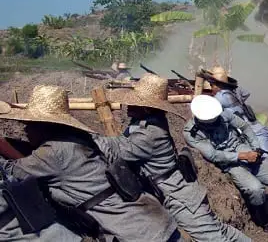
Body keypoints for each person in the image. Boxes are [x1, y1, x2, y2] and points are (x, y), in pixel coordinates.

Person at [0, 85, 181, 242]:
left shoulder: (53, 152)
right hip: (151, 218)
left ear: (45, 125)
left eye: (29, 125)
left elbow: (15, 172)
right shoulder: (78, 139)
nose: (25, 130)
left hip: (137, 232)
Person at [94, 74, 250, 242]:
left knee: (213, 238)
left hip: (180, 198)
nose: (127, 105)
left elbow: (117, 150)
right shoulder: (146, 122)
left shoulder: (149, 133)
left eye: (134, 102)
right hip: (181, 190)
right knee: (220, 230)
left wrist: (87, 138)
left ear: (146, 108)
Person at [184, 95, 268, 234]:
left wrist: (256, 148)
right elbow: (213, 155)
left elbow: (244, 127)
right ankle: (267, 221)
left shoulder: (223, 114)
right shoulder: (191, 133)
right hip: (228, 162)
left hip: (242, 148)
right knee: (255, 189)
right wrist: (241, 156)